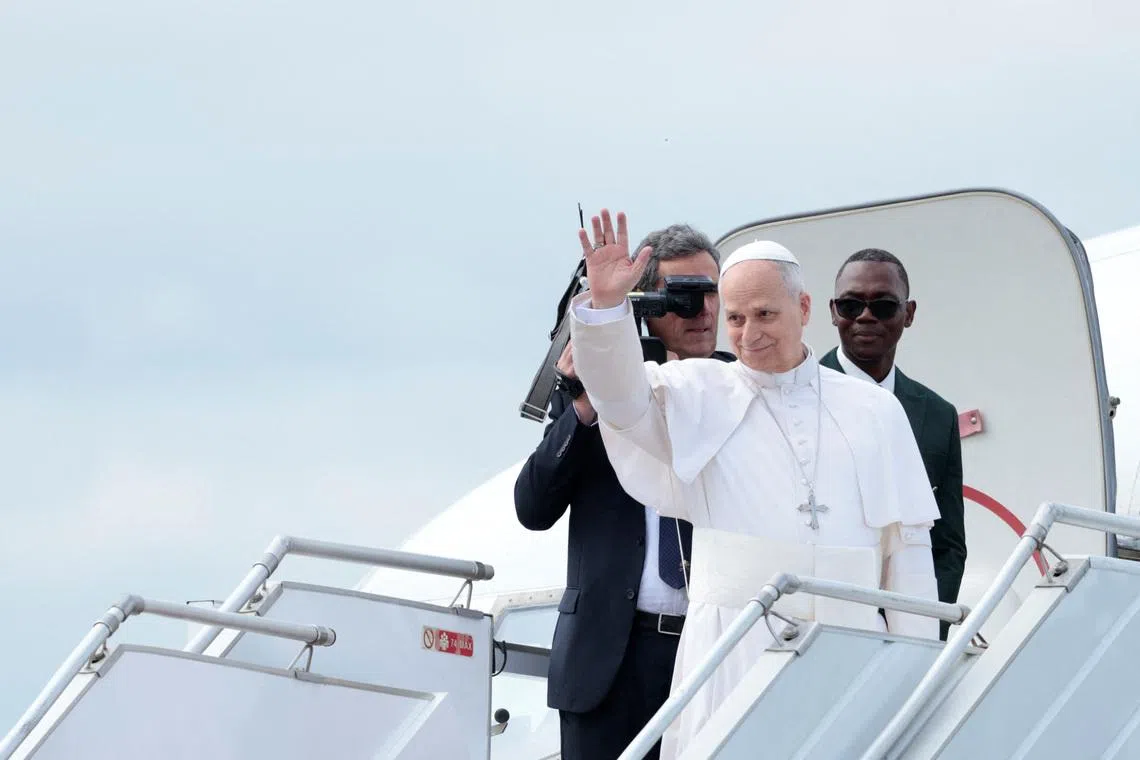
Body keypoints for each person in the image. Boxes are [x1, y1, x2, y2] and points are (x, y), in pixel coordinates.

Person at [567, 209, 941, 759]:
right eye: (736, 318)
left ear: (805, 308)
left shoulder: (875, 411)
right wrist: (607, 309)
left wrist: (919, 678)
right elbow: (621, 401)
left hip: (848, 646)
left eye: (765, 314)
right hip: (733, 648)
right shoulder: (697, 391)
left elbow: (908, 558)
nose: (749, 334)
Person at [513, 223, 734, 760]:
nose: (703, 310)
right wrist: (590, 402)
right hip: (611, 657)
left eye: (712, 293)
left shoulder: (742, 388)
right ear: (646, 305)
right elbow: (533, 506)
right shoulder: (600, 390)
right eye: (683, 297)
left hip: (714, 646)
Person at [821, 248, 967, 641]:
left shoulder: (937, 414)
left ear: (909, 313)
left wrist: (924, 629)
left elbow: (948, 545)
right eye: (852, 305)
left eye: (884, 306)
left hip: (909, 634)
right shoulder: (797, 395)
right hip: (818, 626)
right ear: (833, 311)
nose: (866, 316)